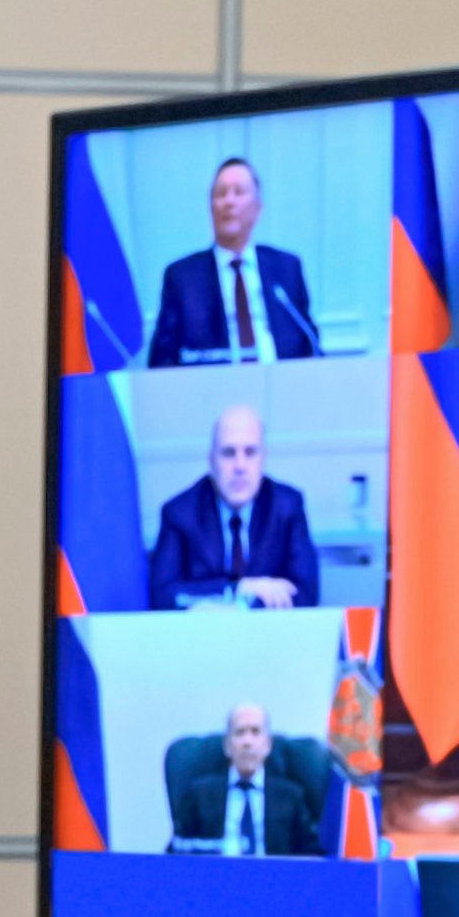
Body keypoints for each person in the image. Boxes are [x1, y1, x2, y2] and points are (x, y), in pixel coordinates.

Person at [144, 155, 321, 365]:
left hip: (282, 384)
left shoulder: (286, 268)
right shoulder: (183, 277)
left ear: (257, 208)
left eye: (239, 192)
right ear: (211, 207)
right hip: (209, 389)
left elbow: (311, 346)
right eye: (221, 194)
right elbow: (162, 360)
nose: (229, 201)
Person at [147, 406, 320, 610]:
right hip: (203, 636)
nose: (240, 466)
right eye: (228, 453)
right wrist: (238, 588)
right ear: (212, 460)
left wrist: (235, 606)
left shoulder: (287, 506)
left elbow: (307, 592)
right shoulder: (179, 513)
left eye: (250, 452)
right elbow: (162, 596)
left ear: (263, 458)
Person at [171, 701, 328, 855]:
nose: (247, 742)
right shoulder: (199, 795)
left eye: (255, 732)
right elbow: (176, 851)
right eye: (240, 732)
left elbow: (311, 856)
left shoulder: (290, 796)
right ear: (227, 746)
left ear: (267, 745)